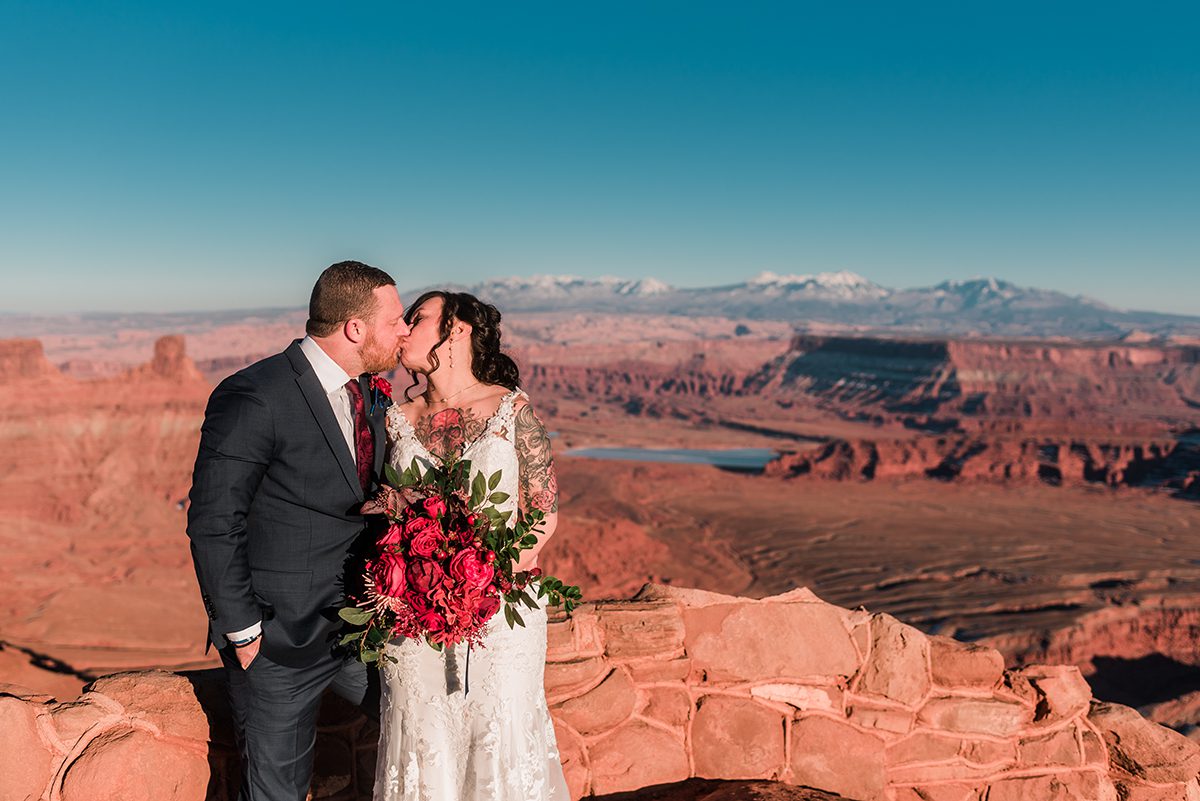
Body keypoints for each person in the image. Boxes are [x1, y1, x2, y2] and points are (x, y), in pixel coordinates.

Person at [187, 261, 410, 801]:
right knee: (277, 792)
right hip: (277, 643)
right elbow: (214, 520)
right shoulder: (256, 394)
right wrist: (242, 630)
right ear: (355, 329)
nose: (404, 332)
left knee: (419, 735)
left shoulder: (371, 396)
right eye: (397, 320)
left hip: (358, 630)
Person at [374, 290, 569, 801]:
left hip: (500, 617)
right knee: (423, 738)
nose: (403, 330)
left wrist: (476, 585)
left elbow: (543, 514)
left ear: (457, 330)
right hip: (413, 622)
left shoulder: (510, 409)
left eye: (417, 319)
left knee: (497, 739)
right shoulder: (396, 419)